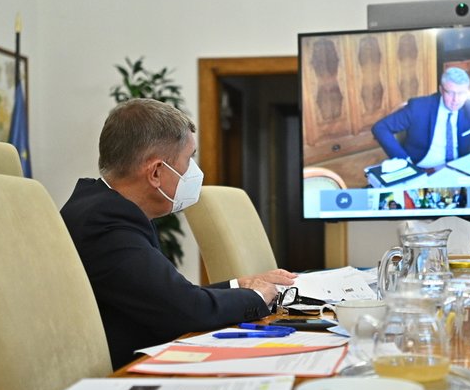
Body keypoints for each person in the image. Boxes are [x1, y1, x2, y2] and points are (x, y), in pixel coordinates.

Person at [61, 99, 297, 368]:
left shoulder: (106, 207)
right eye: (189, 158)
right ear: (156, 172)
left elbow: (167, 296)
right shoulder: (106, 222)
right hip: (127, 375)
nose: (194, 171)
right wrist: (256, 297)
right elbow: (185, 310)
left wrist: (240, 284)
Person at [371, 66, 470, 169]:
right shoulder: (419, 107)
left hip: (460, 169)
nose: (456, 100)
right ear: (441, 90)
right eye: (450, 93)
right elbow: (381, 128)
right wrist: (403, 160)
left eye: (462, 93)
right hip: (424, 169)